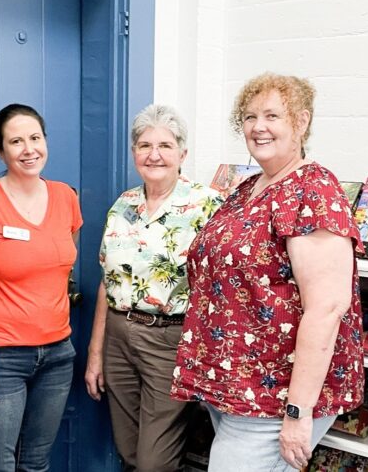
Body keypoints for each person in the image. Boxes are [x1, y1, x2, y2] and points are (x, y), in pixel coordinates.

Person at [172, 73, 365, 472]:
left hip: (274, 397)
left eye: (273, 115)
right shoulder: (247, 188)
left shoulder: (313, 190)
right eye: (249, 117)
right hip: (234, 389)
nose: (258, 127)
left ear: (302, 121)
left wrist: (297, 413)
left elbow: (327, 307)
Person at [85, 104, 223, 472]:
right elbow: (107, 282)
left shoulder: (207, 205)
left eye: (165, 145)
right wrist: (96, 352)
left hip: (170, 341)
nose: (154, 154)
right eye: (144, 145)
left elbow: (219, 289)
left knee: (153, 462)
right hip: (117, 336)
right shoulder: (123, 205)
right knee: (128, 452)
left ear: (182, 153)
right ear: (134, 153)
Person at [0, 104, 83, 471]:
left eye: (35, 138)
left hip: (58, 354)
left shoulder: (65, 197)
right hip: (2, 355)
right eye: (16, 141)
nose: (29, 149)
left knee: (36, 462)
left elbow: (62, 263)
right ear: (0, 151)